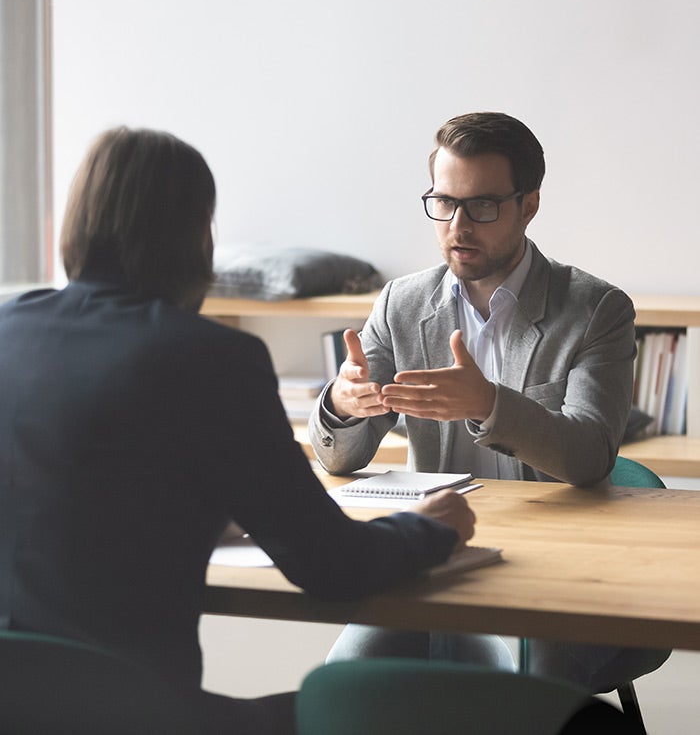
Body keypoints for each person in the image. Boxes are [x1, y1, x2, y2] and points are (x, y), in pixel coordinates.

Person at [0, 127, 476, 735]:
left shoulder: (9, 328)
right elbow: (331, 566)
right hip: (132, 712)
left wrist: (193, 507)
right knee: (397, 713)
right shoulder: (211, 358)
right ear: (197, 235)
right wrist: (429, 529)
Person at [308, 111, 669, 692]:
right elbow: (340, 458)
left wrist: (488, 403)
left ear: (528, 206)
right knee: (342, 685)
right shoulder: (402, 304)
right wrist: (343, 406)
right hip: (443, 561)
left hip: (565, 570)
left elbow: (589, 455)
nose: (458, 225)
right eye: (443, 203)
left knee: (519, 691)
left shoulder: (597, 310)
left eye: (482, 206)